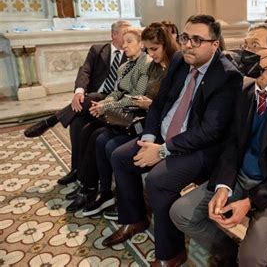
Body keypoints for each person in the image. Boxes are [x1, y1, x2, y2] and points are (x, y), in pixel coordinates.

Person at [170, 23, 267, 266]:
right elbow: (232, 145)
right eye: (244, 45)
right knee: (181, 213)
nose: (244, 53)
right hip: (243, 176)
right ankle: (231, 253)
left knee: (252, 257)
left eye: (254, 47)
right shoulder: (245, 91)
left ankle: (248, 257)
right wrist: (223, 186)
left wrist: (251, 202)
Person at [101, 15, 242, 267]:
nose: (188, 44)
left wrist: (163, 151)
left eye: (197, 40)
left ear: (215, 44)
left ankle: (171, 253)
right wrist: (148, 139)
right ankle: (135, 219)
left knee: (158, 181)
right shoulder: (179, 60)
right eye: (186, 37)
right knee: (120, 156)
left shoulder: (227, 75)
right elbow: (160, 104)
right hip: (165, 137)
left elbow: (211, 131)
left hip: (201, 148)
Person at [83, 23, 179, 218]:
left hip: (153, 122)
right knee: (99, 138)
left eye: (154, 49)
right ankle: (105, 193)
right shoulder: (150, 66)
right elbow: (121, 92)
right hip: (149, 120)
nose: (151, 53)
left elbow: (162, 104)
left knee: (114, 150)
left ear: (166, 45)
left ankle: (131, 210)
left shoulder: (171, 68)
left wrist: (146, 107)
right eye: (149, 49)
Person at [23, 20, 131, 185]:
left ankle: (51, 120)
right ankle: (76, 170)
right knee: (77, 122)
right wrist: (79, 92)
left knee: (91, 97)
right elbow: (85, 70)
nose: (127, 39)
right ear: (114, 35)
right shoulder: (98, 49)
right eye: (124, 34)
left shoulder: (132, 53)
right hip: (93, 99)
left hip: (113, 100)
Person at [66, 27, 151, 213]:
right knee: (87, 129)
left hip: (133, 117)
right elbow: (116, 92)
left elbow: (135, 96)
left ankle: (95, 189)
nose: (124, 45)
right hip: (118, 114)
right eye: (124, 41)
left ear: (142, 44)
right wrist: (103, 103)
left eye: (129, 41)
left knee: (100, 138)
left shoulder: (146, 64)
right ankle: (96, 188)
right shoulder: (125, 66)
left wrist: (105, 107)